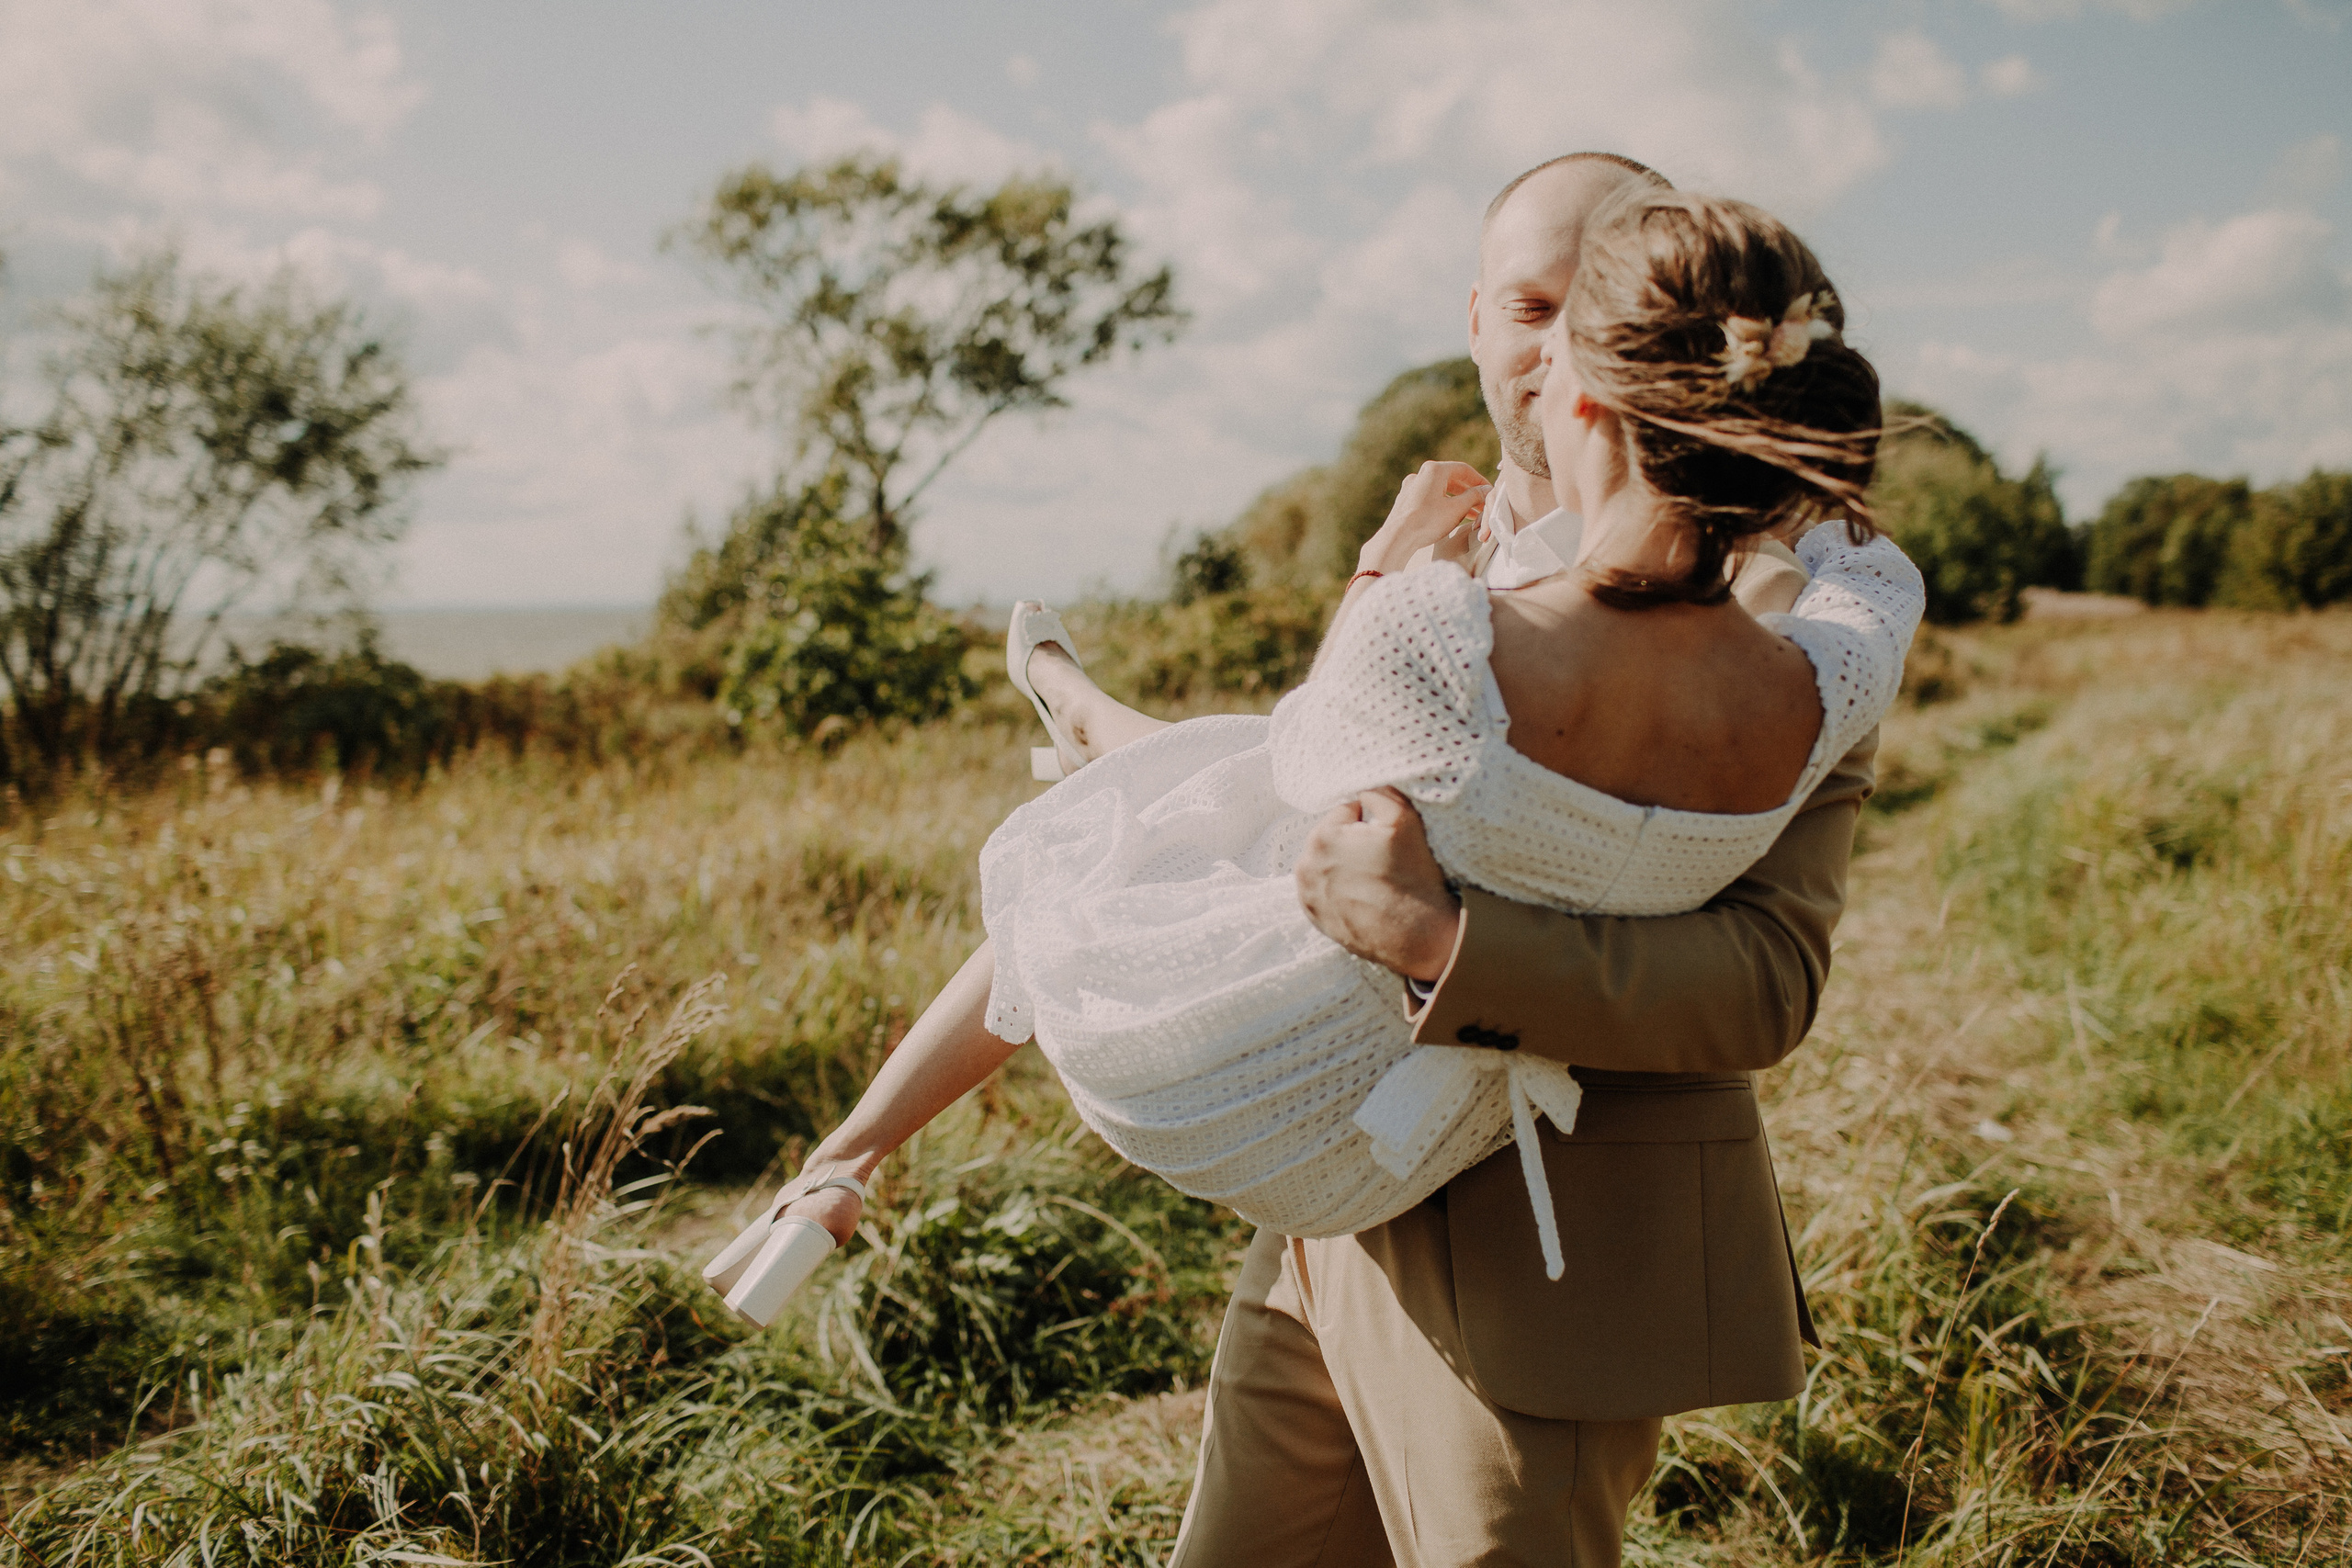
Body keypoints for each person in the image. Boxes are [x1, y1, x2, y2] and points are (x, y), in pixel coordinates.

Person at [711, 167, 1922, 1563]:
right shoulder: (1453, 582)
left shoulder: (1785, 589)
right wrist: (858, 1147)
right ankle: (1087, 721)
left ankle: (1084, 713)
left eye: (1588, 309)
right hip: (1323, 1209)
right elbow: (1219, 864)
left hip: (1554, 1268)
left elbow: (1766, 983)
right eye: (1531, 304)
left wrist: (1440, 941)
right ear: (1479, 321)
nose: (1549, 351)